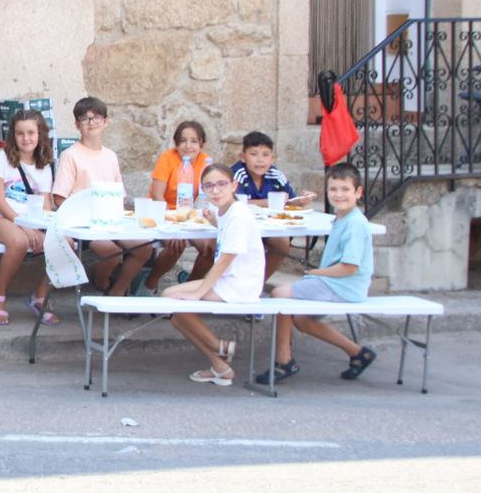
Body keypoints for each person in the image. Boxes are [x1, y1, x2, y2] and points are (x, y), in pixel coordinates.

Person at [257, 162, 377, 385]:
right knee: (302, 320)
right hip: (337, 283)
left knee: (280, 294)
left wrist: (316, 272)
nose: (338, 195)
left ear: (358, 192)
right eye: (333, 189)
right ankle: (358, 353)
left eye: (345, 189)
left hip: (343, 285)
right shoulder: (342, 218)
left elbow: (350, 266)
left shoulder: (355, 225)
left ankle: (284, 360)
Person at [161, 162, 264, 386]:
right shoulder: (226, 212)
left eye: (221, 184)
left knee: (170, 295)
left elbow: (226, 260)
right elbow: (227, 237)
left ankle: (220, 346)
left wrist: (199, 291)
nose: (215, 190)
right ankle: (220, 365)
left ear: (233, 185)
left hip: (238, 284)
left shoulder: (238, 215)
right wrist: (215, 222)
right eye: (209, 186)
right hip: (232, 279)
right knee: (177, 316)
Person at [50, 96, 145, 298]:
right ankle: (100, 280)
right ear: (77, 125)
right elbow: (59, 198)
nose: (91, 122)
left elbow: (118, 195)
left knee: (144, 249)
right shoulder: (71, 155)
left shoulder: (110, 156)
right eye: (85, 118)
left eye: (96, 118)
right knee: (111, 254)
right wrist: (82, 215)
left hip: (110, 219)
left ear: (106, 121)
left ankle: (117, 291)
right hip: (85, 223)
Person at [0, 109, 57, 326]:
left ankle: (40, 297)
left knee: (64, 242)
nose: (26, 138)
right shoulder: (1, 159)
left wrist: (42, 230)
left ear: (40, 134)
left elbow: (45, 205)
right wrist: (24, 227)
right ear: (13, 135)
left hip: (31, 221)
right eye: (20, 133)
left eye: (31, 132)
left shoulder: (44, 167)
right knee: (18, 241)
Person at [232, 130, 318, 283]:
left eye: (265, 155)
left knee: (282, 245)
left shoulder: (275, 175)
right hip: (241, 226)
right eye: (254, 154)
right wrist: (267, 202)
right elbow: (234, 203)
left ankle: (256, 284)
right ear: (243, 157)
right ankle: (235, 282)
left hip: (270, 225)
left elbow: (289, 201)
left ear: (272, 158)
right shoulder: (237, 174)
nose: (260, 160)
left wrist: (301, 200)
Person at [142, 120, 213, 292]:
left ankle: (190, 287)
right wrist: (174, 225)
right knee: (176, 243)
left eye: (194, 141)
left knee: (210, 248)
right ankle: (149, 284)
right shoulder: (167, 158)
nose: (188, 146)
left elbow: (210, 194)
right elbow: (158, 196)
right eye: (183, 141)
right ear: (176, 143)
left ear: (201, 144)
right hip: (161, 213)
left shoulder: (205, 162)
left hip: (188, 215)